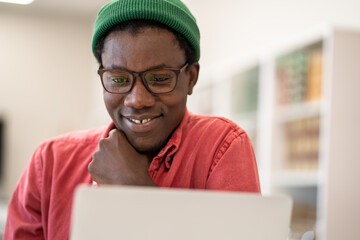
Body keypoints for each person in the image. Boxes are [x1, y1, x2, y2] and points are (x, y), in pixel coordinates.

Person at [4, 0, 260, 239]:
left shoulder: (221, 147)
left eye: (159, 78)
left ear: (191, 78)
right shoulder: (50, 162)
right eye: (118, 79)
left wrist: (135, 190)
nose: (137, 100)